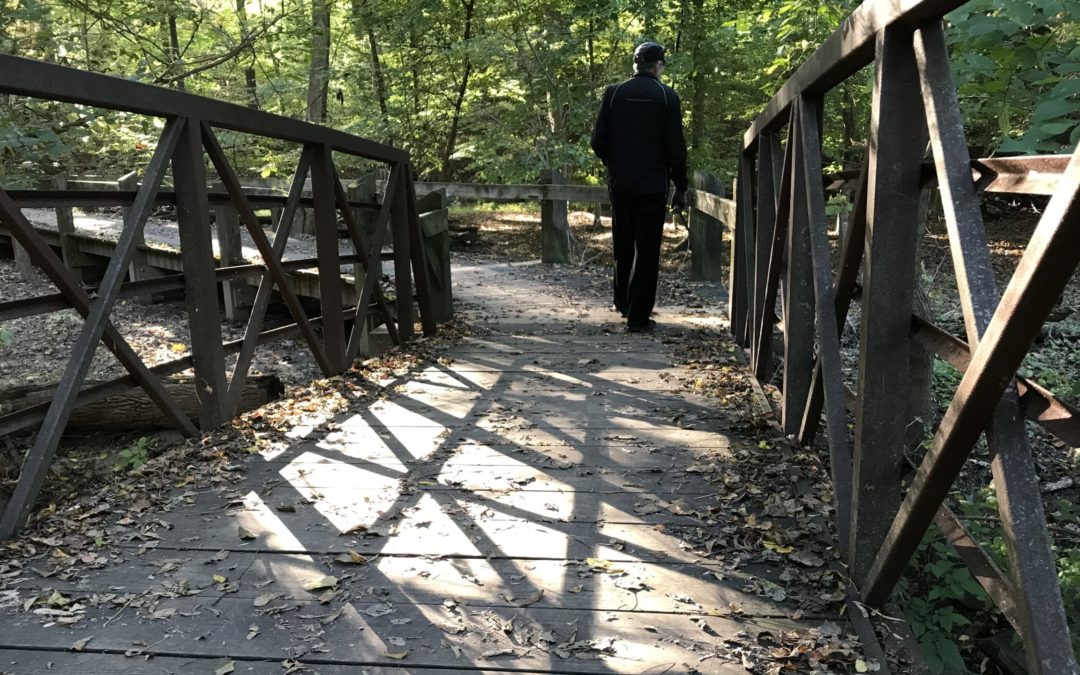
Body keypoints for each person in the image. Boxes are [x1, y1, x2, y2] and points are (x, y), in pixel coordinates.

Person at [590, 41, 689, 332]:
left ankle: (622, 302)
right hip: (653, 186)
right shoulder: (667, 96)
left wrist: (614, 163)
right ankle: (638, 317)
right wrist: (680, 185)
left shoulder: (614, 93)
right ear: (658, 66)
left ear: (635, 65)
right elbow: (676, 148)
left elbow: (597, 141)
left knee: (622, 242)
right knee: (647, 250)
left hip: (620, 183)